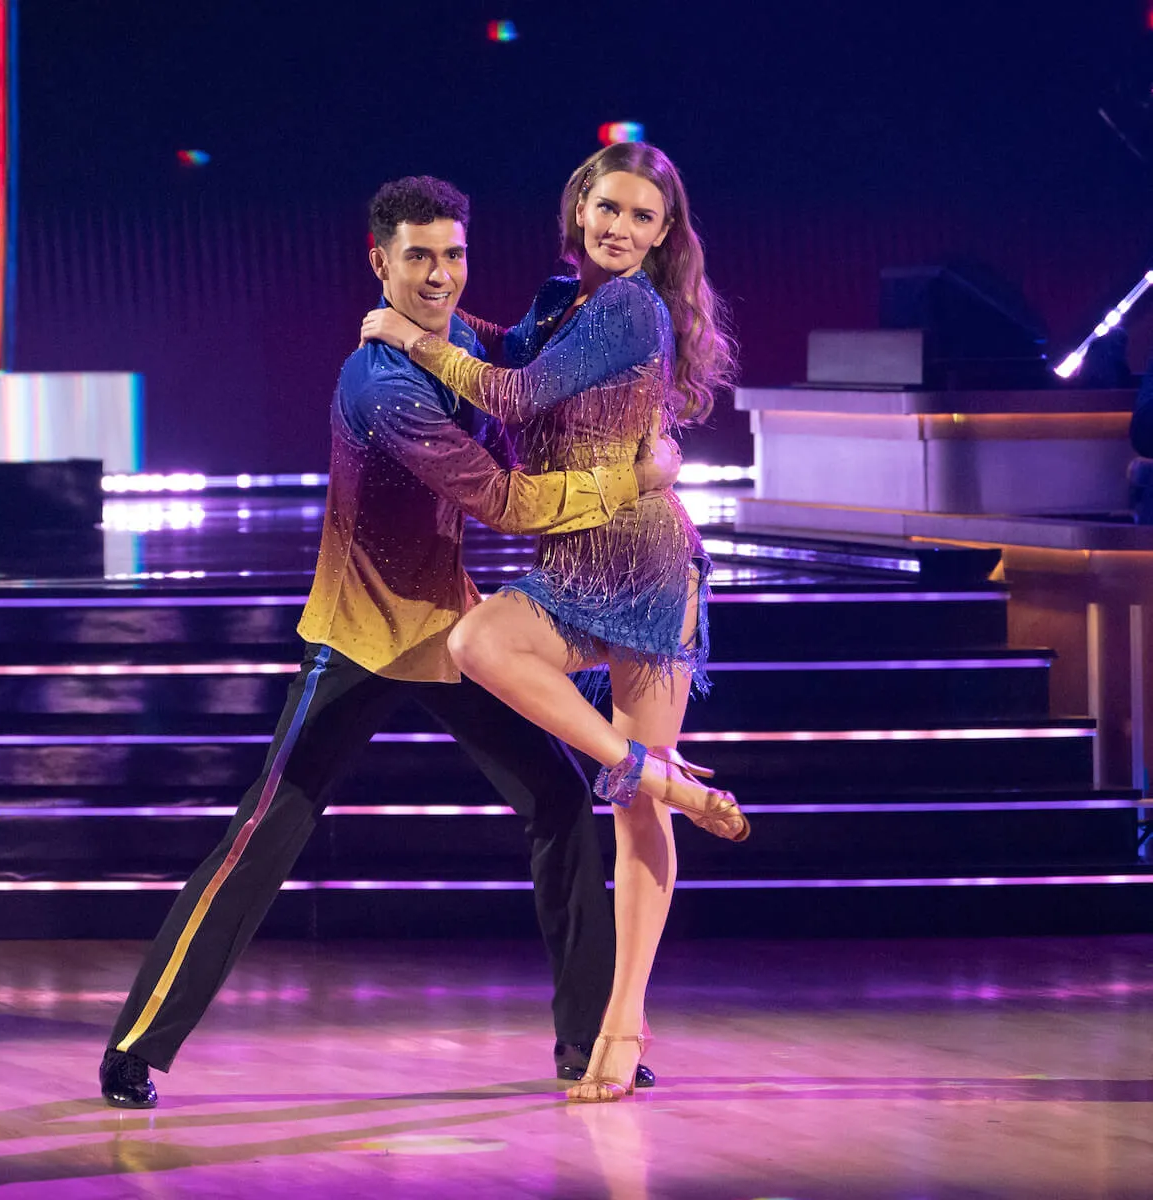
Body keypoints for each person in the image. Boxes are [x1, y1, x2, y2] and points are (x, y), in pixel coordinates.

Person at [99, 174, 678, 1108]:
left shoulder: (447, 340)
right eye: (420, 257)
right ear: (381, 263)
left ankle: (588, 1046)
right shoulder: (381, 382)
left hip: (451, 630)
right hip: (362, 637)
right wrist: (636, 484)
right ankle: (137, 1044)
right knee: (265, 835)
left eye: (453, 254)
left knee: (561, 808)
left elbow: (519, 360)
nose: (442, 274)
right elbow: (503, 500)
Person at [360, 142, 747, 1104]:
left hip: (649, 559)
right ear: (579, 208)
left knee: (637, 825)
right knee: (481, 641)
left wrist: (408, 337)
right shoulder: (559, 299)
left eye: (642, 219)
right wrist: (434, 318)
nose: (620, 229)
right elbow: (504, 353)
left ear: (663, 236)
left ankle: (624, 1022)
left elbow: (518, 393)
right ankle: (645, 768)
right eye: (608, 209)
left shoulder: (631, 305)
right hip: (575, 557)